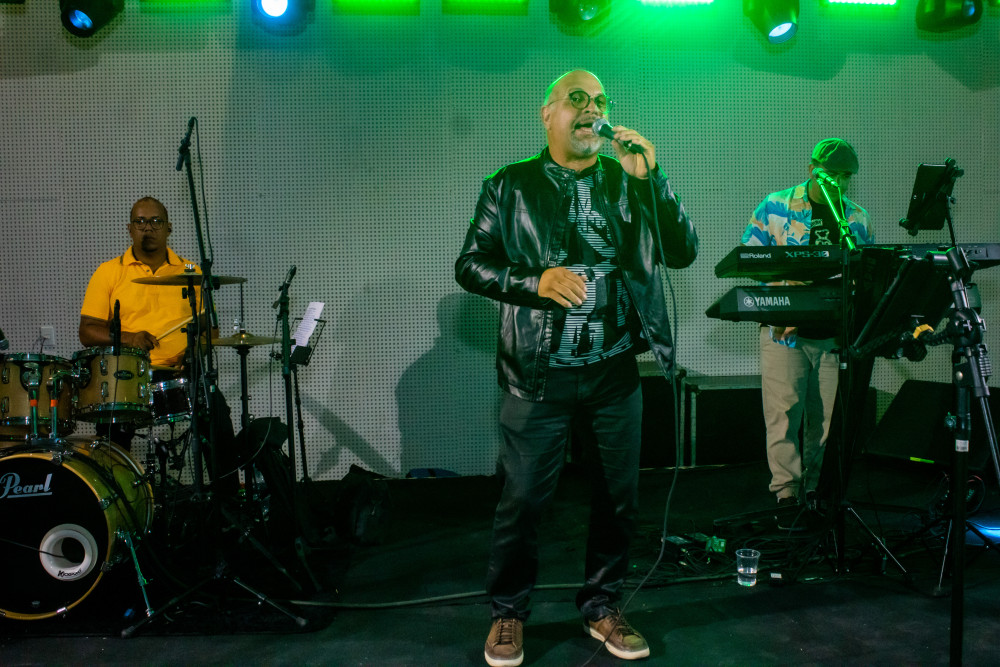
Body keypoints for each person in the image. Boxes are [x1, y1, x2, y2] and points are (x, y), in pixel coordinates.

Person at [456, 70, 698, 666]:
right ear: (548, 114)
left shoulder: (628, 179)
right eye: (578, 99)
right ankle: (508, 613)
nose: (592, 109)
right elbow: (471, 265)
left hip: (614, 372)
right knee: (523, 502)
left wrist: (653, 180)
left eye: (601, 101)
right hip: (538, 374)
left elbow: (683, 251)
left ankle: (602, 605)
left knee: (619, 499)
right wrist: (533, 281)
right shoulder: (508, 185)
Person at [741, 138, 873, 513]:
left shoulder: (856, 217)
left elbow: (865, 274)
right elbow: (749, 258)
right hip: (785, 331)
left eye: (845, 176)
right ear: (812, 168)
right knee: (783, 415)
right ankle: (786, 493)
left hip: (834, 333)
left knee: (829, 419)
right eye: (832, 174)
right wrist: (785, 287)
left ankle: (817, 490)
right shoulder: (776, 205)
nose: (839, 182)